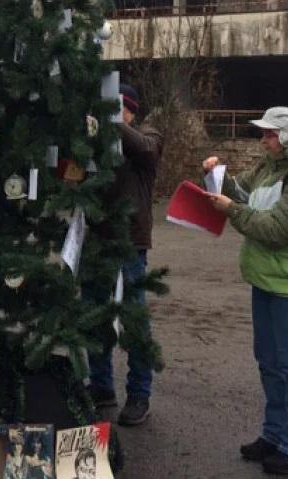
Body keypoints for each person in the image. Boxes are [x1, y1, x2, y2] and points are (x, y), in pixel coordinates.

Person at [202, 106, 288, 476]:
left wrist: (232, 210)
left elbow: (279, 230)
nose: (263, 140)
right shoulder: (268, 167)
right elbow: (240, 193)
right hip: (266, 279)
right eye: (264, 133)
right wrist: (215, 176)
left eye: (270, 134)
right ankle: (274, 435)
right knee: (270, 362)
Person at [87, 83, 163, 427]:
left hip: (130, 241)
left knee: (134, 318)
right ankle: (101, 387)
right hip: (96, 239)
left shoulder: (149, 135)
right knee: (94, 313)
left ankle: (139, 394)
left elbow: (146, 150)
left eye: (121, 110)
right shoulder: (98, 141)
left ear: (131, 111)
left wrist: (111, 119)